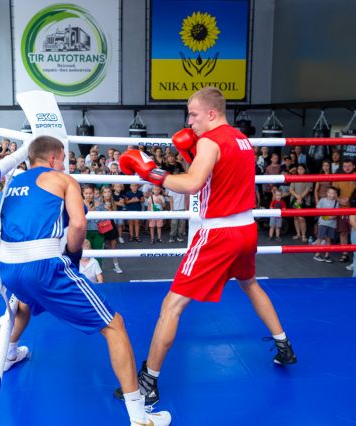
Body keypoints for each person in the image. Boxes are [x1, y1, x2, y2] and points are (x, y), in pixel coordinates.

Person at [117, 87, 296, 406]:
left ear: (212, 113)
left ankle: (148, 382)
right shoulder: (241, 140)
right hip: (246, 229)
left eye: (194, 114)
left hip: (219, 234)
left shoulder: (211, 141)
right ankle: (283, 345)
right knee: (250, 284)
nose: (190, 121)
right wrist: (190, 154)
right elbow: (219, 176)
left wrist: (152, 173)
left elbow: (192, 184)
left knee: (171, 306)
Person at [0, 136, 170, 426]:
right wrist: (73, 253)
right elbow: (78, 225)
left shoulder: (12, 183)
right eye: (62, 158)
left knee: (24, 302)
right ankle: (140, 417)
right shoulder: (62, 180)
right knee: (115, 326)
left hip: (7, 267)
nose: (63, 164)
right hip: (42, 267)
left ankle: (9, 352)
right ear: (53, 159)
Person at [313, 187, 339, 263]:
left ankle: (327, 255)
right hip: (323, 223)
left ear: (335, 194)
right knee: (320, 238)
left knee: (328, 239)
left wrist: (331, 216)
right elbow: (318, 209)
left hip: (332, 224)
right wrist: (326, 216)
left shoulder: (336, 203)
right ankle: (317, 254)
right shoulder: (322, 200)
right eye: (329, 192)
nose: (331, 194)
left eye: (333, 193)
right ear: (327, 193)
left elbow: (337, 213)